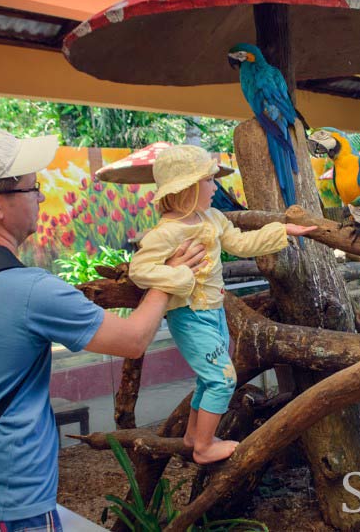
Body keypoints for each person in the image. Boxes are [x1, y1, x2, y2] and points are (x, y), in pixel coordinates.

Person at [0, 127, 206, 531]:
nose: (40, 197)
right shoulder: (30, 290)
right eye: (31, 188)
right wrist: (168, 279)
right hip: (10, 514)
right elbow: (133, 340)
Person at [128, 145, 315, 464]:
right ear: (186, 188)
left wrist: (281, 230)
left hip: (214, 313)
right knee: (222, 378)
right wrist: (181, 278)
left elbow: (241, 244)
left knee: (209, 377)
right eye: (209, 181)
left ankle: (192, 437)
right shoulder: (166, 233)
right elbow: (139, 270)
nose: (216, 187)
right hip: (188, 317)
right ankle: (203, 447)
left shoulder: (212, 218)